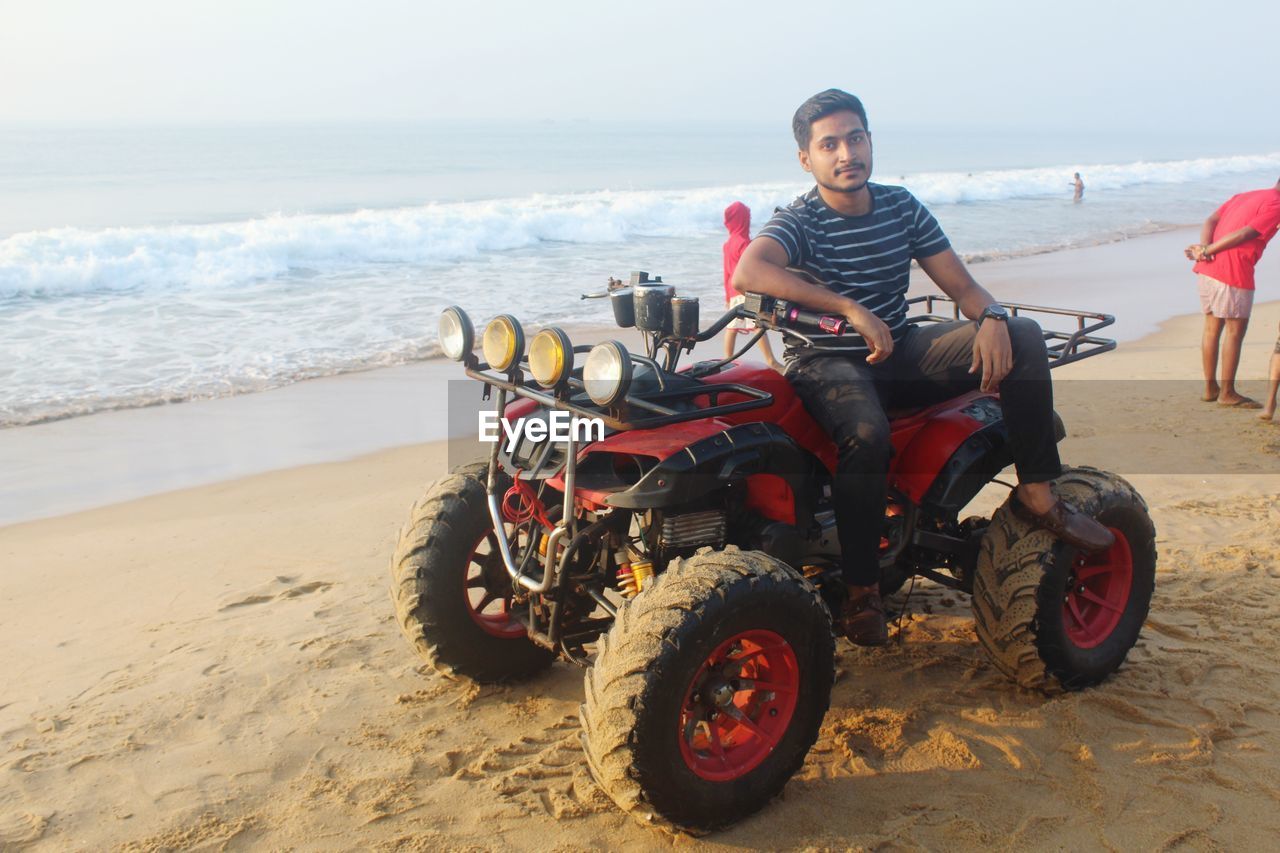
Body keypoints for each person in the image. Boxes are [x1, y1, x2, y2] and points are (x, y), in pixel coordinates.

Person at [732, 88, 1114, 646]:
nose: (846, 154)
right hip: (823, 361)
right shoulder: (800, 219)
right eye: (830, 144)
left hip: (900, 351)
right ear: (806, 159)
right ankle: (863, 591)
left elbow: (961, 286)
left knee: (1025, 335)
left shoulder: (901, 206)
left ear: (869, 142)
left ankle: (1038, 494)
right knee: (866, 433)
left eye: (855, 138)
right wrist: (849, 308)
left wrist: (993, 318)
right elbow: (750, 270)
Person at [1184, 178, 1280, 409]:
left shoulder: (1246, 195)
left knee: (1211, 330)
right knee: (1235, 332)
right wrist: (1207, 249)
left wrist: (1204, 250)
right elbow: (1246, 234)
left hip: (1208, 269)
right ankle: (1227, 393)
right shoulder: (1277, 205)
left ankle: (1210, 388)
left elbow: (1211, 219)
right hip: (1233, 272)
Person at [722, 202, 783, 371]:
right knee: (757, 325)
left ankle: (726, 360)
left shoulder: (728, 244)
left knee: (732, 327)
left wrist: (727, 297)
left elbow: (727, 273)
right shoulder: (744, 243)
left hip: (733, 292)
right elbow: (752, 270)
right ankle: (771, 360)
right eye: (747, 217)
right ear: (742, 220)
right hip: (746, 291)